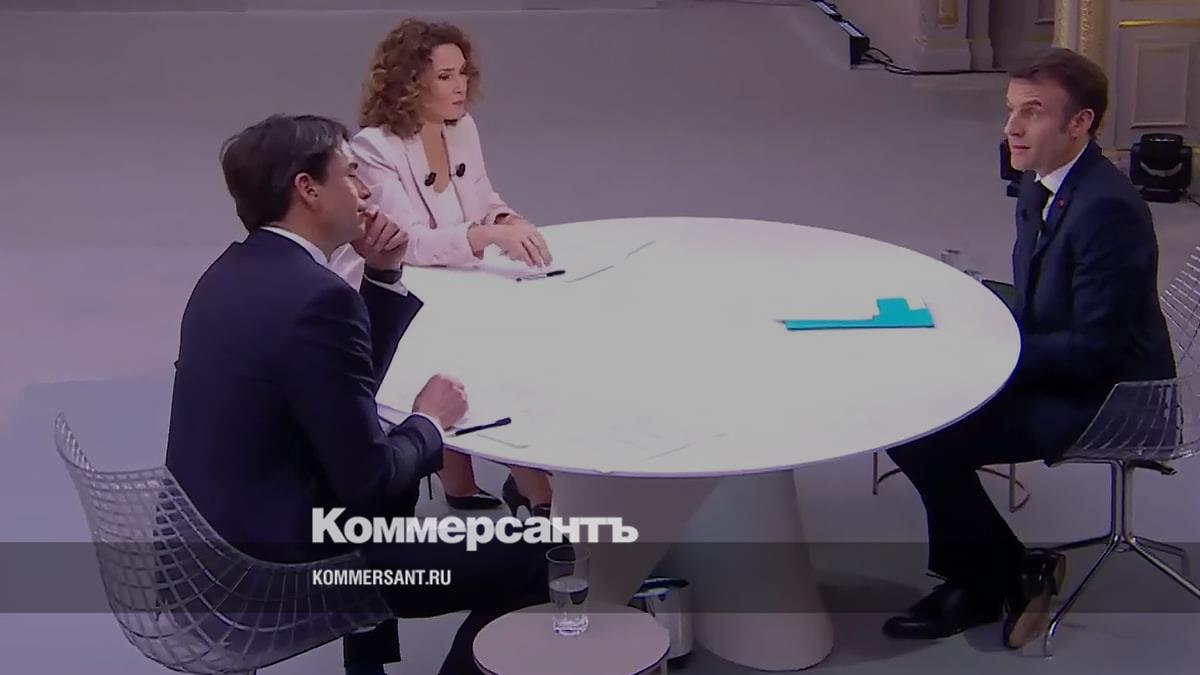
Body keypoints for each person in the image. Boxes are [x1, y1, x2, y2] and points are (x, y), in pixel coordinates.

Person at [165, 114, 549, 675]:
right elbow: (369, 481)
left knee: (393, 475)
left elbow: (336, 388)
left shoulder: (226, 275)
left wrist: (382, 275)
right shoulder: (317, 299)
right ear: (308, 189)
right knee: (536, 557)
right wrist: (430, 422)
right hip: (289, 567)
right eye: (350, 174)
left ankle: (367, 662)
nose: (366, 191)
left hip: (207, 552)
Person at [882, 48, 1176, 649]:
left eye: (1033, 112)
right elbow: (1041, 296)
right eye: (1011, 109)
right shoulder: (1038, 180)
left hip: (1113, 395)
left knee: (925, 433)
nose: (1012, 127)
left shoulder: (1108, 211)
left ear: (1080, 122)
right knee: (917, 413)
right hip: (1062, 361)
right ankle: (1010, 568)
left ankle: (983, 581)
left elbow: (1096, 350)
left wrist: (986, 358)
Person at [330, 17, 553, 517]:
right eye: (446, 76)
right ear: (411, 82)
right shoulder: (374, 147)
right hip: (388, 280)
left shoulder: (462, 129)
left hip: (449, 274)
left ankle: (466, 478)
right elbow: (406, 242)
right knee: (475, 349)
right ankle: (530, 484)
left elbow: (482, 198)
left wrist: (506, 219)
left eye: (463, 73)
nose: (461, 86)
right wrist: (487, 236)